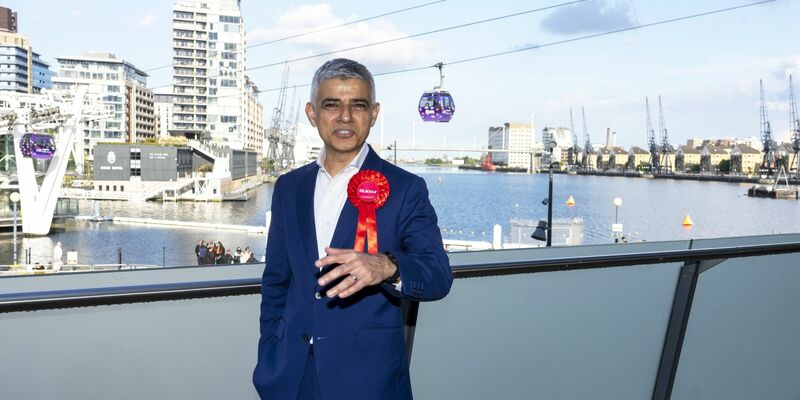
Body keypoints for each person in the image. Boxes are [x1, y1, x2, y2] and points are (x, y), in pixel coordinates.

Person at [253, 58, 452, 400]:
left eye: (357, 105)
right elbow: (276, 282)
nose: (345, 116)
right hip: (290, 375)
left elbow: (437, 275)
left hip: (368, 380)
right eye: (332, 105)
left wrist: (386, 266)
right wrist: (270, 351)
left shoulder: (406, 188)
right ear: (312, 113)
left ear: (373, 114)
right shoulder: (288, 187)